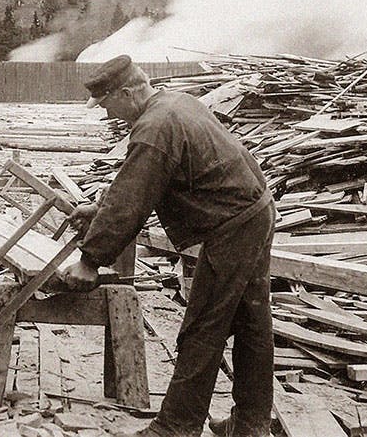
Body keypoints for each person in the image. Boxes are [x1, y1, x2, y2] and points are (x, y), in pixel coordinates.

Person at [59, 56, 275, 437]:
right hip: (254, 212)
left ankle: (176, 427)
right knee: (251, 321)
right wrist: (99, 208)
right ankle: (251, 425)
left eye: (107, 104)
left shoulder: (155, 127)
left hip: (234, 226)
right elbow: (144, 180)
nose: (108, 114)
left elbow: (133, 196)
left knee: (203, 327)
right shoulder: (173, 103)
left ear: (126, 93)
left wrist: (89, 261)